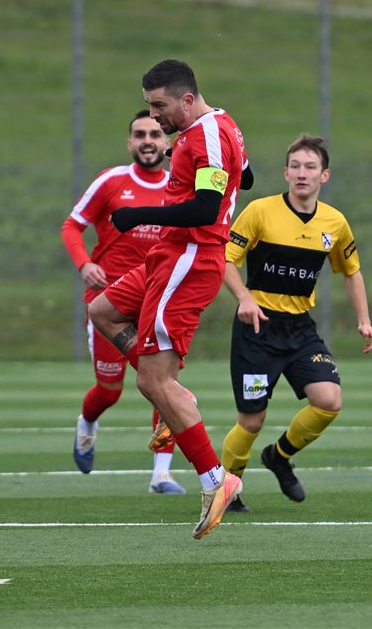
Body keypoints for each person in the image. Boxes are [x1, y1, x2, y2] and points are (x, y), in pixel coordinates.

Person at [87, 59, 253, 540]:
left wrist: (138, 214)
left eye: (159, 106)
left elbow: (205, 207)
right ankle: (178, 397)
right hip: (168, 255)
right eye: (148, 107)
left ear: (187, 98)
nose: (154, 117)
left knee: (152, 381)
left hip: (190, 260)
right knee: (102, 310)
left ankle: (216, 479)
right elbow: (246, 177)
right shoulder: (219, 124)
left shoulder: (207, 136)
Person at [220, 134, 372, 511]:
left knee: (329, 400)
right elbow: (224, 259)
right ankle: (226, 490)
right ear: (285, 173)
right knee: (252, 420)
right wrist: (244, 298)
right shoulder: (260, 211)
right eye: (295, 166)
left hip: (299, 329)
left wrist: (364, 321)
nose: (302, 173)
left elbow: (351, 271)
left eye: (310, 167)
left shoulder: (334, 222)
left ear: (324, 175)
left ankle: (278, 457)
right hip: (257, 329)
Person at [63, 110, 188, 494]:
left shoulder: (179, 187)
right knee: (109, 391)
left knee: (163, 384)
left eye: (155, 133)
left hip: (154, 303)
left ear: (167, 142)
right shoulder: (111, 181)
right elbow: (72, 226)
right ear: (130, 143)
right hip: (107, 306)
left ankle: (161, 475)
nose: (148, 140)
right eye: (140, 134)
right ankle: (87, 423)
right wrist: (84, 264)